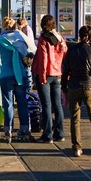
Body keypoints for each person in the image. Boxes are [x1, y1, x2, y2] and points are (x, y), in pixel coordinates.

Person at [0, 17, 36, 142]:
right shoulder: (21, 39)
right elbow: (29, 52)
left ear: (3, 27)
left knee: (8, 104)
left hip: (6, 75)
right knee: (22, 103)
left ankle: (8, 131)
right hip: (20, 75)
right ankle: (24, 130)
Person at [61, 25, 91, 157]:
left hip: (73, 85)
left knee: (75, 118)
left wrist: (64, 87)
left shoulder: (71, 51)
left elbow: (65, 71)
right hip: (88, 86)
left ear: (79, 36)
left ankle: (77, 147)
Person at [32, 14, 68, 144]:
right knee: (57, 104)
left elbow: (43, 59)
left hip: (46, 74)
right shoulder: (60, 39)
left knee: (46, 105)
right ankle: (60, 133)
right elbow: (64, 54)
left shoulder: (43, 39)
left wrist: (41, 77)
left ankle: (47, 135)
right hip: (57, 73)